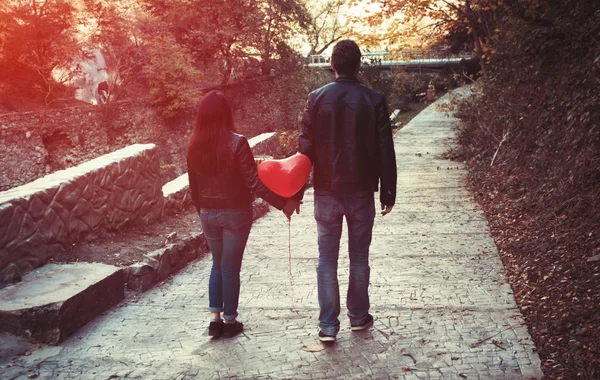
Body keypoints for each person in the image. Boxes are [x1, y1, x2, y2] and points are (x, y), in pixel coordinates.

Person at [295, 40, 397, 342]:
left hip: (326, 190)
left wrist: (296, 192)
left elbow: (305, 149)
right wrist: (387, 191)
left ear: (333, 65)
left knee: (326, 258)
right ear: (359, 64)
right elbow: (384, 149)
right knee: (359, 258)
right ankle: (358, 317)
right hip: (363, 191)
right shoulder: (374, 99)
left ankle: (327, 326)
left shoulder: (316, 99)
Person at [187, 91, 299, 338]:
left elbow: (193, 187)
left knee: (217, 263)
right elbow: (254, 183)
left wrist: (204, 212)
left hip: (208, 213)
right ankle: (230, 321)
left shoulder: (194, 144)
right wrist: (284, 204)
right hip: (236, 213)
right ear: (226, 113)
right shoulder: (238, 142)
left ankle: (214, 320)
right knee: (230, 267)